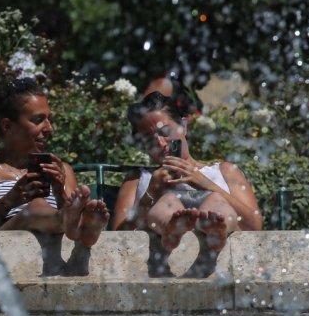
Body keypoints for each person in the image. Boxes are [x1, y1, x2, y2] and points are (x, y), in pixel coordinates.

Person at [0, 77, 109, 276]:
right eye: (38, 120)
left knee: (58, 211)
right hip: (4, 240)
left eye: (49, 119)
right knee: (35, 207)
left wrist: (58, 190)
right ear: (7, 126)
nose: (49, 128)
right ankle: (73, 223)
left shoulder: (62, 169)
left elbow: (70, 219)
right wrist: (10, 200)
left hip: (56, 230)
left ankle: (84, 229)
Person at [111, 92, 262, 278]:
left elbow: (255, 224)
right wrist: (151, 191)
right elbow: (117, 237)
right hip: (163, 249)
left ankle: (215, 227)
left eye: (165, 132)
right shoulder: (138, 179)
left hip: (219, 259)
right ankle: (171, 227)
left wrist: (206, 183)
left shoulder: (224, 171)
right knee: (167, 202)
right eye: (149, 140)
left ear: (183, 126)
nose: (160, 144)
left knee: (215, 201)